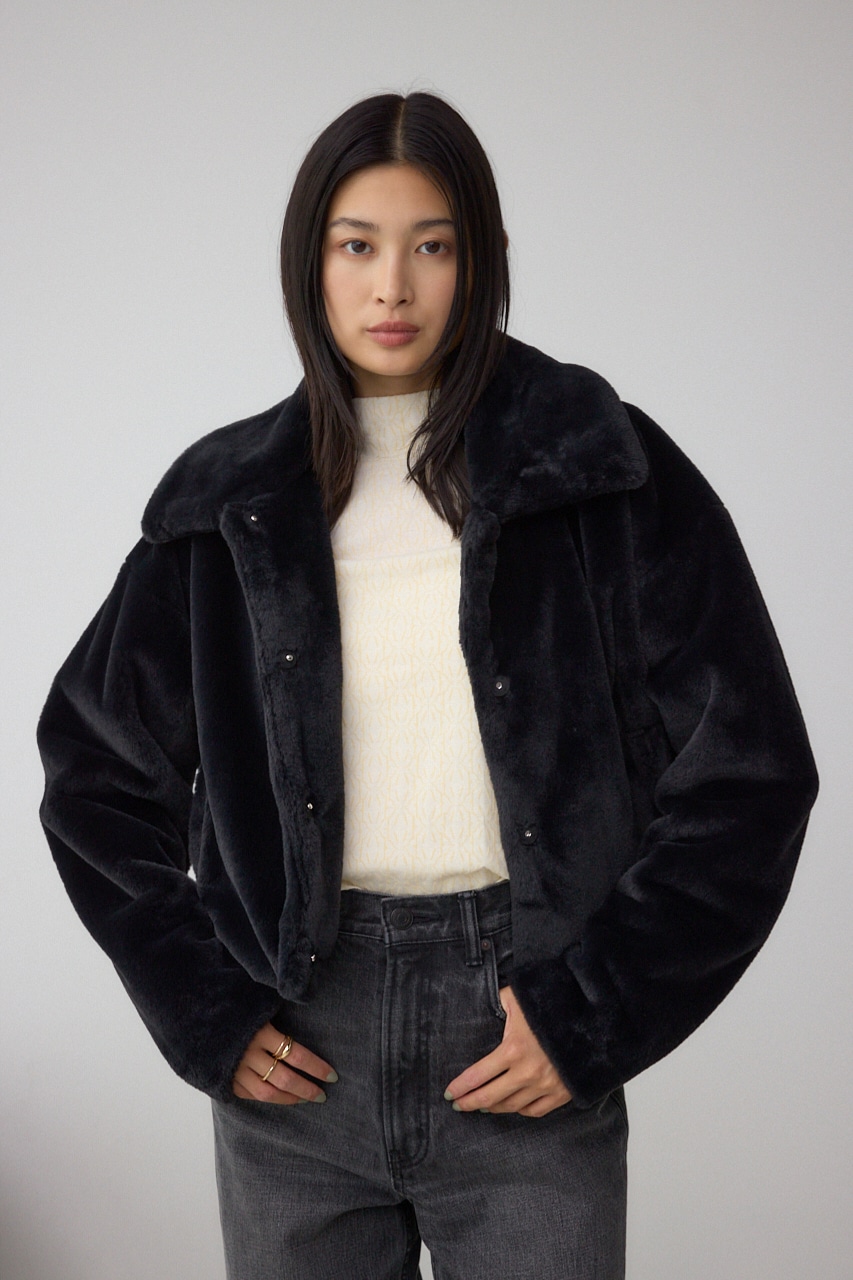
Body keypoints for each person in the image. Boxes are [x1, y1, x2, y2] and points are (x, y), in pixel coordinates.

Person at [37, 91, 818, 1280]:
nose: (391, 286)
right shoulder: (226, 503)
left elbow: (749, 771)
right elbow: (95, 772)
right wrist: (203, 1005)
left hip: (520, 1025)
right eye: (356, 244)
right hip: (296, 1040)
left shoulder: (598, 468)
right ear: (310, 260)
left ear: (482, 259)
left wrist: (592, 1012)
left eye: (432, 245)